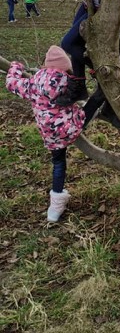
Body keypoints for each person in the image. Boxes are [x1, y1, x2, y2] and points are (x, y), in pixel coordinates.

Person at [5, 46, 85, 222]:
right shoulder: (67, 80)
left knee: (58, 163)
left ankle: (55, 207)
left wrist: (15, 66)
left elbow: (11, 83)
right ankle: (99, 105)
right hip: (71, 127)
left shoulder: (34, 82)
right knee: (85, 109)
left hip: (50, 134)